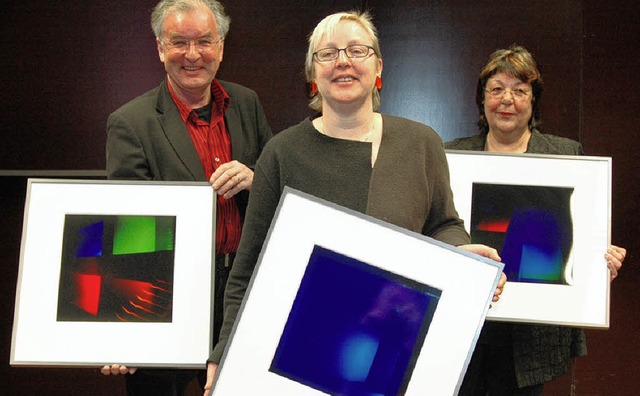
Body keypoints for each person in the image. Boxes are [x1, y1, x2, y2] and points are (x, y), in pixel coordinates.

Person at [203, 10, 506, 395]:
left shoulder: (421, 142)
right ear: (313, 74)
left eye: (356, 51)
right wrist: (224, 352)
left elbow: (442, 223)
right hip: (303, 350)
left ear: (377, 66)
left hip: (396, 345)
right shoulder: (281, 153)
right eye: (328, 54)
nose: (343, 61)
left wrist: (463, 255)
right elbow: (246, 271)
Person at [101, 0, 272, 394]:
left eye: (204, 42)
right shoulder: (130, 123)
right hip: (168, 296)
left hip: (242, 292)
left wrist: (256, 178)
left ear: (222, 46)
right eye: (179, 42)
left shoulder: (246, 103)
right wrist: (116, 328)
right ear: (161, 48)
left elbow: (279, 187)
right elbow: (127, 232)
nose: (192, 55)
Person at [446, 44, 627, 395]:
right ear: (482, 99)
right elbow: (438, 227)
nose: (507, 99)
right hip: (466, 323)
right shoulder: (453, 155)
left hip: (531, 333)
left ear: (533, 100)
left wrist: (599, 258)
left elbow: (576, 232)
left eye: (519, 90)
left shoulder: (565, 154)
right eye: (496, 88)